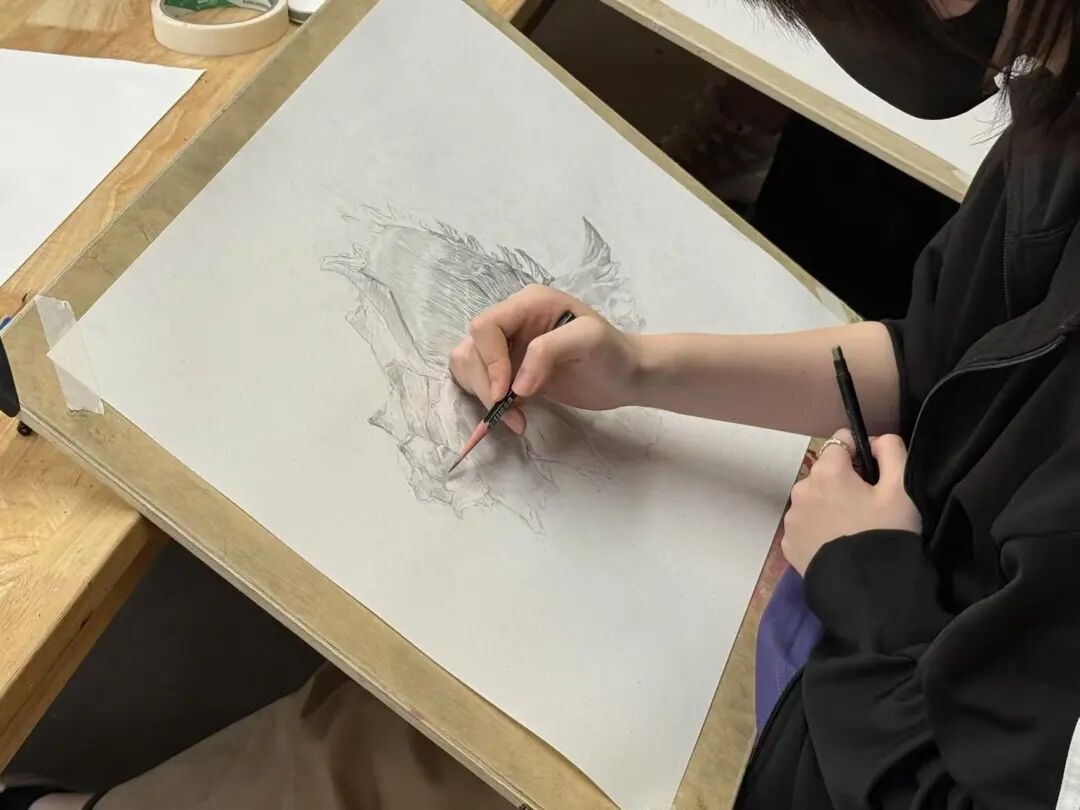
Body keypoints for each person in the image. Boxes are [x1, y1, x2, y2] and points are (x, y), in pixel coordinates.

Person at [6, 0, 1078, 807]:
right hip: (894, 586)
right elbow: (938, 351)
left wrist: (868, 583)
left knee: (438, 736)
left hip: (862, 698)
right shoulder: (1058, 111)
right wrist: (643, 369)